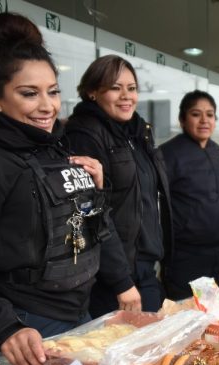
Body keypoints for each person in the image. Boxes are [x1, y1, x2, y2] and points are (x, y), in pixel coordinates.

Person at [0, 12, 139, 365]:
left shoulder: (58, 153)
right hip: (25, 331)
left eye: (53, 91)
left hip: (79, 316)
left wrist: (96, 191)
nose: (47, 106)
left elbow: (91, 227)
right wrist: (5, 327)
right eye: (29, 93)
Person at [66, 55, 172, 315]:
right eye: (115, 87)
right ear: (92, 92)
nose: (126, 96)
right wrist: (120, 280)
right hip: (112, 279)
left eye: (132, 88)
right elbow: (90, 212)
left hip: (144, 269)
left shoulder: (137, 133)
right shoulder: (85, 134)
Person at [159, 90, 219, 300]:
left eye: (210, 115)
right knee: (190, 316)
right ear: (182, 119)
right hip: (187, 257)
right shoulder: (167, 155)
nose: (204, 120)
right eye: (196, 114)